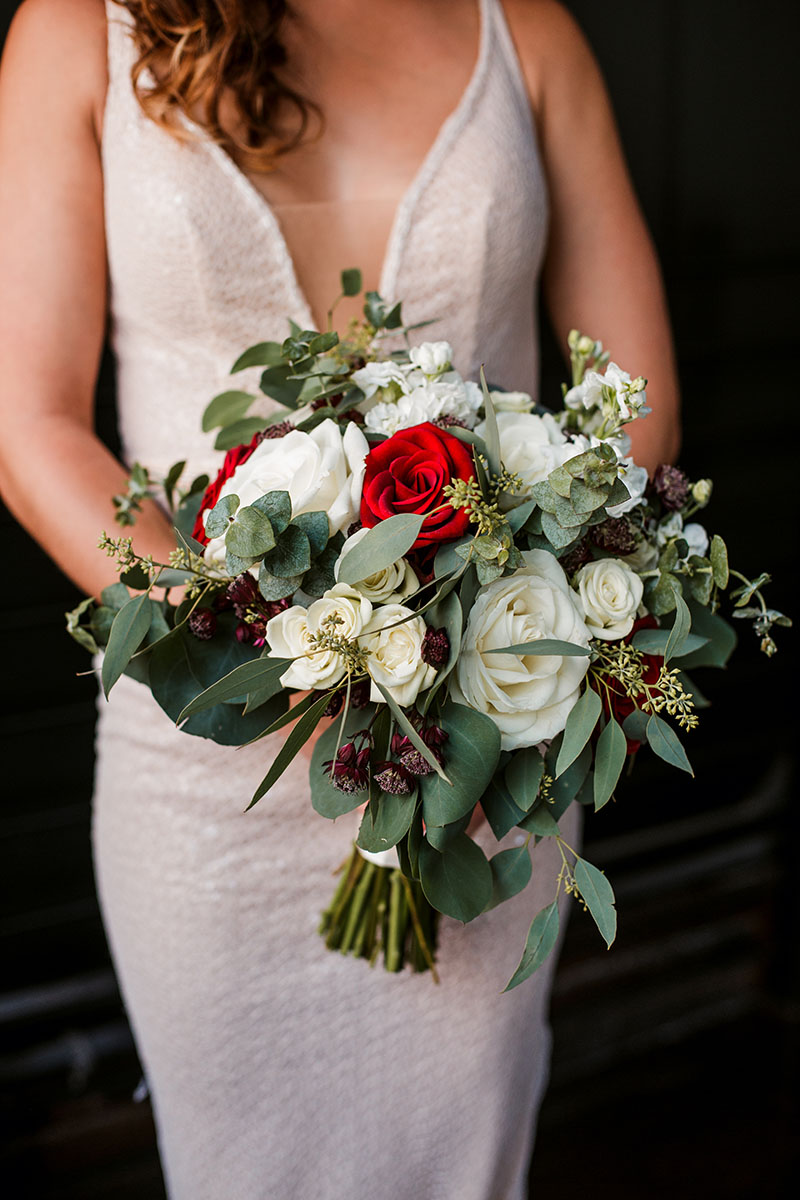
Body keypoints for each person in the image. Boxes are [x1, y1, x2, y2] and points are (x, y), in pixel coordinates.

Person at [0, 1, 680, 1196]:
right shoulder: (73, 29)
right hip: (209, 770)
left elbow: (629, 408)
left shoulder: (524, 32)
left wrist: (483, 652)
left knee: (462, 1156)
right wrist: (275, 662)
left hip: (483, 750)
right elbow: (30, 429)